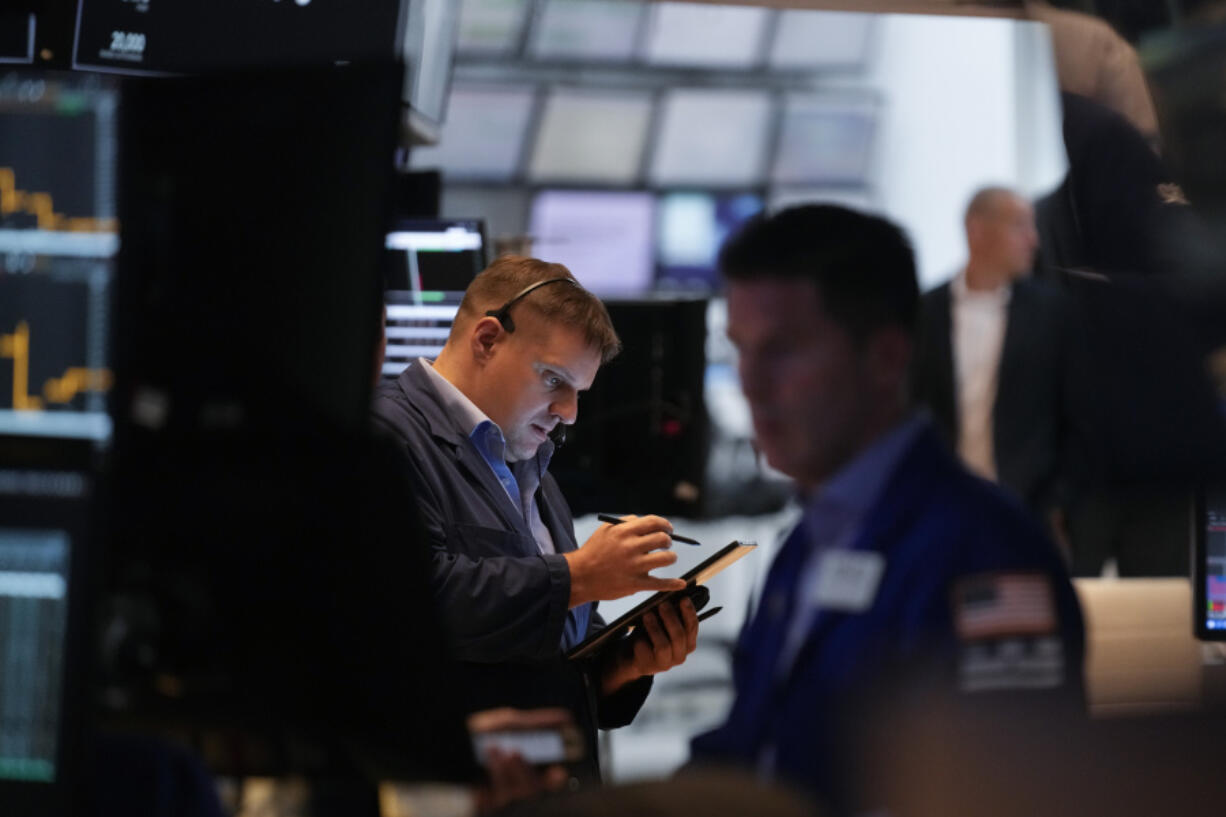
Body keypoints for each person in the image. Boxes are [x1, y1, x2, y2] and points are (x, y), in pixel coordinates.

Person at [688, 205, 1085, 811]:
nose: (751, 384)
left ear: (886, 358)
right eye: (741, 350)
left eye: (783, 350)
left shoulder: (986, 553)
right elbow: (754, 748)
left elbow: (1003, 795)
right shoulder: (810, 542)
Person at [372, 255, 700, 783]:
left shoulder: (531, 466)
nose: (569, 411)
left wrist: (623, 667)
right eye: (554, 379)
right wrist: (579, 575)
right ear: (486, 339)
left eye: (578, 392)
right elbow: (409, 603)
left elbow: (553, 644)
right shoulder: (384, 436)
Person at [913, 187, 1076, 543]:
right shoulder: (925, 312)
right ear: (977, 230)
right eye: (1019, 226)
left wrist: (1059, 500)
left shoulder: (1052, 313)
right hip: (941, 506)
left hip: (1026, 508)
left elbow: (1073, 415)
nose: (1033, 240)